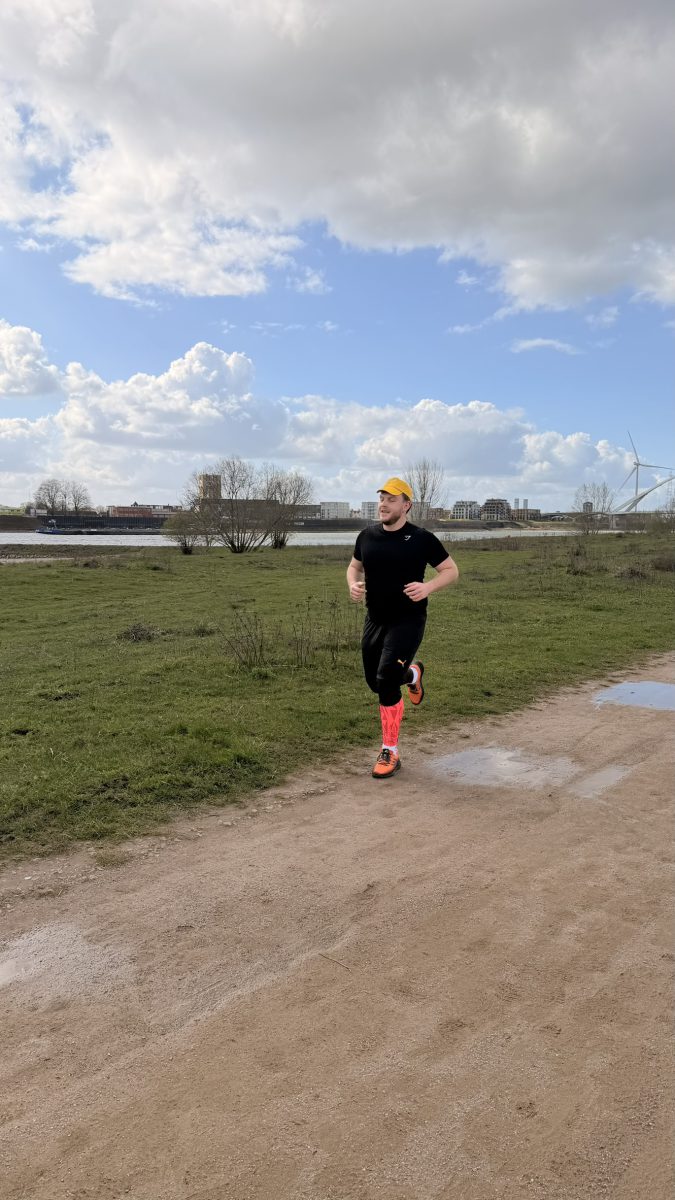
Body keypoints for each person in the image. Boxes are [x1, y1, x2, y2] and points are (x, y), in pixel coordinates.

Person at [347, 477, 459, 778]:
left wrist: (428, 587)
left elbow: (451, 571)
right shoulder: (366, 536)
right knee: (376, 682)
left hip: (408, 620)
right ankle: (412, 674)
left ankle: (390, 751)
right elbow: (354, 566)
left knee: (385, 681)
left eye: (391, 499)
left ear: (406, 505)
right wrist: (353, 584)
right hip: (375, 619)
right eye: (382, 498)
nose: (383, 504)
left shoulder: (422, 538)